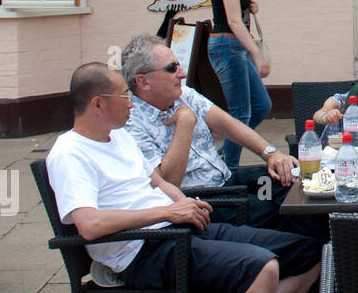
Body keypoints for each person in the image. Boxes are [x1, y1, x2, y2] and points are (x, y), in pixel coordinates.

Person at [46, 63, 320, 293]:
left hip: (176, 231)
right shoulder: (70, 154)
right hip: (142, 253)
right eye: (125, 96)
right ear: (98, 104)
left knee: (311, 252)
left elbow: (156, 181)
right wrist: (168, 211)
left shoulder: (118, 136)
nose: (131, 104)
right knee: (262, 267)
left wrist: (184, 203)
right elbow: (89, 225)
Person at [120, 33, 298, 231]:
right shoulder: (130, 123)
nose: (182, 73)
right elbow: (169, 184)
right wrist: (185, 123)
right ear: (143, 82)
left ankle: (322, 254)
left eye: (178, 65)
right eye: (172, 68)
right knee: (280, 209)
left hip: (226, 179)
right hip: (201, 200)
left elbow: (227, 124)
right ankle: (308, 257)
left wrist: (270, 153)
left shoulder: (181, 93)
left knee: (294, 182)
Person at [207, 0, 272, 169]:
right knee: (241, 112)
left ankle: (227, 150)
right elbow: (233, 20)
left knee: (261, 105)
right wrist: (257, 53)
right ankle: (228, 168)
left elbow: (232, 11)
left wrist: (249, 4)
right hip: (228, 46)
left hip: (231, 46)